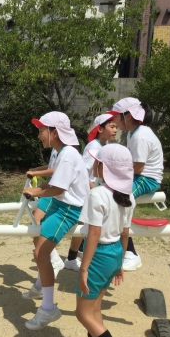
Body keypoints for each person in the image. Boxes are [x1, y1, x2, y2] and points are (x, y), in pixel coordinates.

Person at [66, 143, 139, 337]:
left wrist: (83, 267)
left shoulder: (97, 195)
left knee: (83, 313)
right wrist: (120, 263)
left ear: (103, 167)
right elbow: (125, 232)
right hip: (116, 251)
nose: (94, 164)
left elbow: (93, 234)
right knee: (94, 310)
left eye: (98, 161)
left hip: (98, 256)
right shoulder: (128, 196)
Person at [22, 112, 90, 330]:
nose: (40, 136)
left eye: (42, 131)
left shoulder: (68, 155)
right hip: (59, 204)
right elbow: (54, 183)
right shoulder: (63, 152)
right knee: (39, 253)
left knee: (41, 254)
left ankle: (49, 308)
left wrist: (36, 192)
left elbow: (59, 188)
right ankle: (44, 291)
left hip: (67, 209)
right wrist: (36, 189)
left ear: (54, 132)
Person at [108, 98, 163, 271]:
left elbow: (138, 167)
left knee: (120, 200)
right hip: (139, 175)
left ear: (129, 117)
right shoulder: (133, 132)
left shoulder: (140, 136)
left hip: (147, 179)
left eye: (117, 116)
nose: (115, 121)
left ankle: (131, 253)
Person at [65, 114, 119, 272]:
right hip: (90, 193)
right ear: (100, 129)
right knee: (87, 227)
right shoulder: (94, 147)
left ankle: (72, 258)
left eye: (116, 126)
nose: (115, 130)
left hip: (95, 191)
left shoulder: (103, 145)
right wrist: (96, 189)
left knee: (84, 226)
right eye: (112, 126)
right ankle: (75, 258)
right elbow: (82, 173)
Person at [26, 149, 66, 277]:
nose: (40, 135)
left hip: (54, 188)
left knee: (36, 225)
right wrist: (36, 169)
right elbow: (52, 167)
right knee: (36, 226)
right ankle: (52, 261)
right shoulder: (56, 148)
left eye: (42, 131)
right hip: (50, 185)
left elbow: (58, 170)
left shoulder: (64, 148)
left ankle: (55, 260)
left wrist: (36, 172)